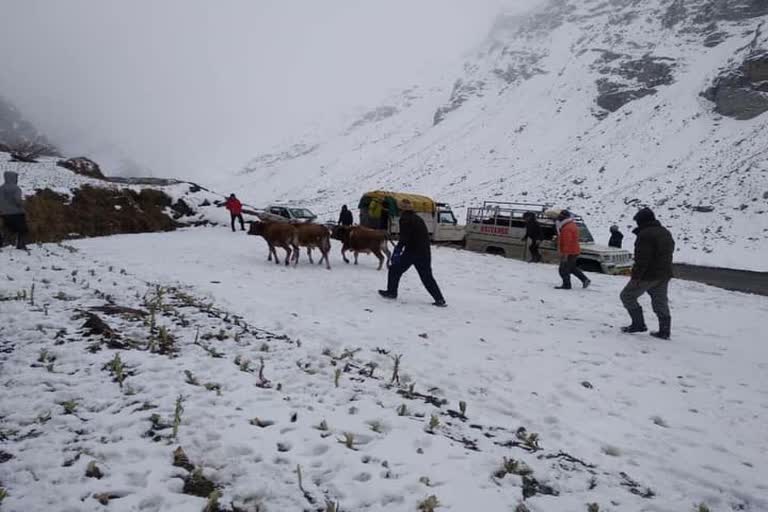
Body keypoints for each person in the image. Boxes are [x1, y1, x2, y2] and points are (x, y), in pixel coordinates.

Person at [619, 207, 675, 339]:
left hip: (648, 275)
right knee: (660, 301)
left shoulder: (645, 235)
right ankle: (664, 331)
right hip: (664, 274)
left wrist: (637, 276)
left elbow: (642, 259)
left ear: (642, 221)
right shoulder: (664, 232)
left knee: (627, 296)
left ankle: (638, 324)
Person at [378, 200, 446, 307]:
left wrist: (397, 251)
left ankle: (391, 292)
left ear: (401, 210)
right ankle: (439, 299)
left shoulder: (405, 219)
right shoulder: (417, 218)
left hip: (412, 252)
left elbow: (405, 237)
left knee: (394, 269)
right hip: (424, 252)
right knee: (427, 276)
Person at [555, 210, 590, 290]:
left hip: (569, 252)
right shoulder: (571, 225)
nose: (559, 217)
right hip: (574, 251)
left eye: (560, 216)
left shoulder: (566, 228)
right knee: (571, 267)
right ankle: (585, 280)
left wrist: (565, 254)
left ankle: (567, 285)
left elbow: (567, 242)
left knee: (563, 269)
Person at [0, 171, 28, 250]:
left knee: (7, 229)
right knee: (22, 229)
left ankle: (2, 243)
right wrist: (23, 203)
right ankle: (21, 245)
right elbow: (17, 200)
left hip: (4, 213)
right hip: (16, 213)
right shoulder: (16, 188)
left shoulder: (1, 188)